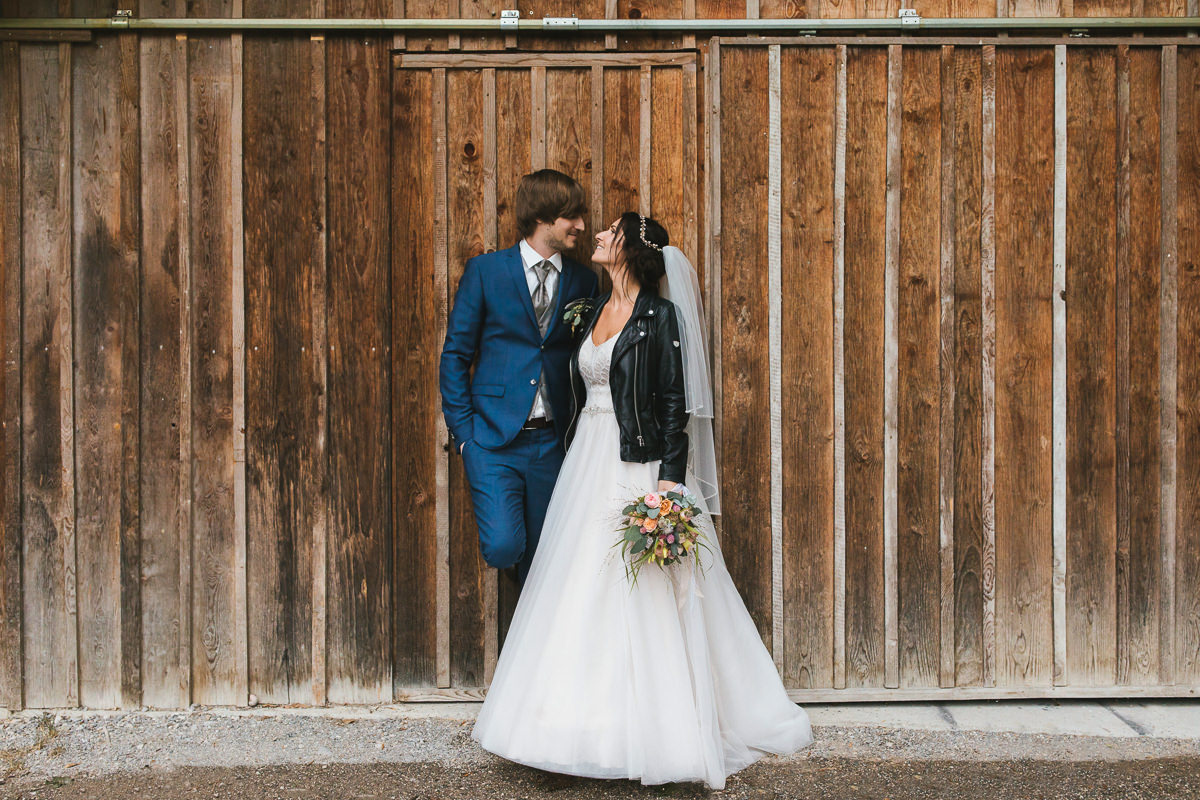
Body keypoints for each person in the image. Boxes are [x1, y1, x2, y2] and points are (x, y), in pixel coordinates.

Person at [472, 212, 813, 790]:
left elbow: (676, 404)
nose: (599, 237)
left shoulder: (662, 317)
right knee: (576, 583)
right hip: (586, 460)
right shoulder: (592, 308)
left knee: (643, 591)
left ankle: (661, 731)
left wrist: (670, 484)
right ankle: (564, 727)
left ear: (630, 247)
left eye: (610, 232)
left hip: (638, 463)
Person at [439, 169, 600, 586]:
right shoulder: (486, 272)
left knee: (549, 560)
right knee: (504, 545)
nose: (582, 226)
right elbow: (456, 355)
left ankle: (533, 648)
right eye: (573, 217)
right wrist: (465, 437)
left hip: (556, 443)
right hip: (493, 441)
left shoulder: (583, 280)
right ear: (544, 218)